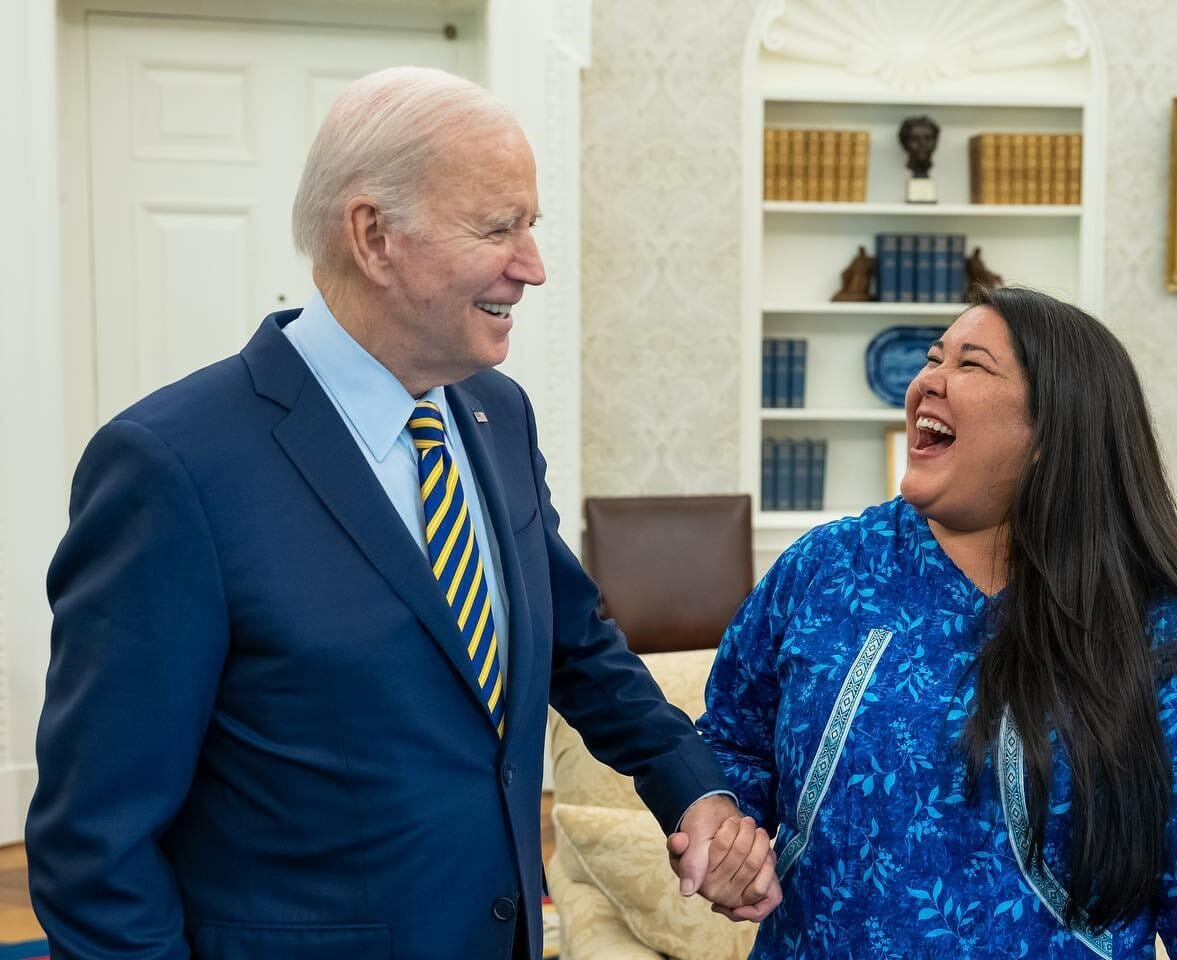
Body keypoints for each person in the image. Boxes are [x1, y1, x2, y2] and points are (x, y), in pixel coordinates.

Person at [28, 66, 777, 960]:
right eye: (499, 227)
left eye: (531, 224)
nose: (533, 266)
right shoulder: (170, 466)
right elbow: (94, 846)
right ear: (374, 236)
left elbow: (578, 646)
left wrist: (694, 789)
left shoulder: (498, 415)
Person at [698, 286, 1177, 958]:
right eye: (932, 358)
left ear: (1051, 433)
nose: (927, 381)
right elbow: (731, 739)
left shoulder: (1164, 636)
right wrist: (724, 824)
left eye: (971, 365)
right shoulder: (826, 569)